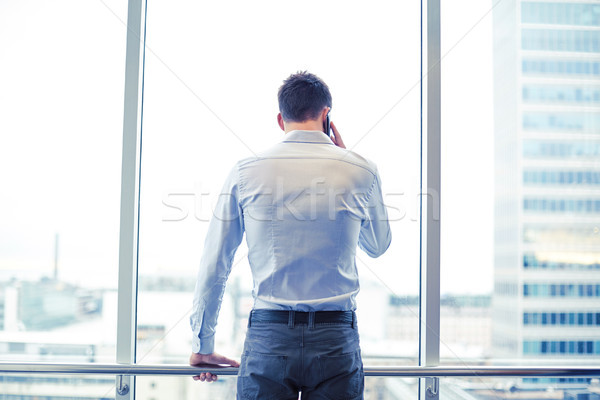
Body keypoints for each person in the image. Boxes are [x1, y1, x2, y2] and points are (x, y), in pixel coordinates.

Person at [189, 71, 391, 399]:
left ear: (281, 119)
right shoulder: (362, 170)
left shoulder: (245, 170)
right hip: (335, 337)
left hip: (269, 334)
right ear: (327, 115)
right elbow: (378, 245)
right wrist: (349, 162)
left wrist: (202, 344)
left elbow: (215, 262)